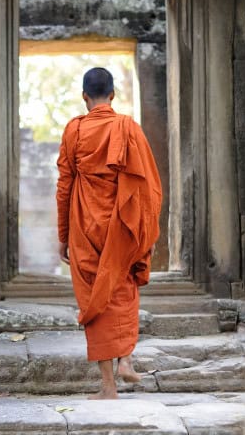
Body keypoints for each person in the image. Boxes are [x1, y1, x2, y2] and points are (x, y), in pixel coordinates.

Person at [56, 67, 163, 399]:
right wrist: (145, 231)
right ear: (112, 96)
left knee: (95, 298)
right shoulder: (128, 127)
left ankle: (107, 386)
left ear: (84, 97)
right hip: (122, 225)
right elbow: (148, 186)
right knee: (123, 287)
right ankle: (126, 361)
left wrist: (63, 235)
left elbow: (64, 186)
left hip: (85, 226)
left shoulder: (74, 130)